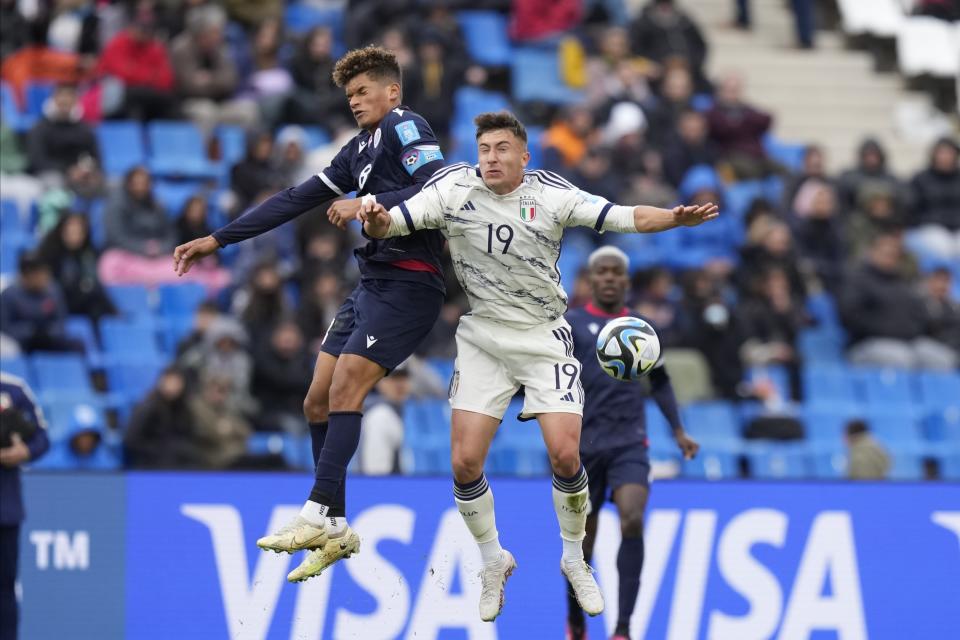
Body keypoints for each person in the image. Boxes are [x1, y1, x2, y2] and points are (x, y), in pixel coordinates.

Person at [360, 110, 718, 621]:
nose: (491, 158)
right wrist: (375, 220)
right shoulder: (454, 189)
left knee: (565, 455)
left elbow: (621, 215)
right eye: (484, 149)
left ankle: (575, 559)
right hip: (483, 335)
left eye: (502, 149)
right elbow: (394, 221)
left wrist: (673, 217)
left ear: (524, 157)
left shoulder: (550, 193)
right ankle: (492, 559)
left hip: (543, 336)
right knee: (463, 463)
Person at [172, 45, 447, 582]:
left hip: (411, 283)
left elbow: (438, 187)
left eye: (364, 91)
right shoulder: (358, 148)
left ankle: (315, 511)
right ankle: (338, 526)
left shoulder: (406, 126)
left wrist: (370, 204)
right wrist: (218, 239)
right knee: (316, 398)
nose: (355, 101)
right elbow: (294, 198)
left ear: (393, 90)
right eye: (349, 96)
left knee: (346, 388)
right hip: (372, 282)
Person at [563, 247, 698, 640]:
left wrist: (678, 430)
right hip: (582, 449)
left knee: (633, 518)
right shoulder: (570, 325)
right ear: (590, 279)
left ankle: (622, 628)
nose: (608, 278)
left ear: (626, 281)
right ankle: (575, 619)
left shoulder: (640, 328)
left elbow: (659, 381)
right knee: (582, 548)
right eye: (601, 272)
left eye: (616, 272)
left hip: (629, 443)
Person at [0, 372, 50, 640]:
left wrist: (25, 452)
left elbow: (42, 436)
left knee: (5, 588)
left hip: (5, 507)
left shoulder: (13, 388)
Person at [0, 252, 82, 354]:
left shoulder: (53, 292)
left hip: (49, 341)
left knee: (77, 345)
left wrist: (47, 333)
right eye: (40, 273)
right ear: (27, 275)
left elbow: (61, 323)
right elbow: (5, 328)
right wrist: (31, 331)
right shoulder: (9, 295)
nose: (45, 277)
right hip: (21, 344)